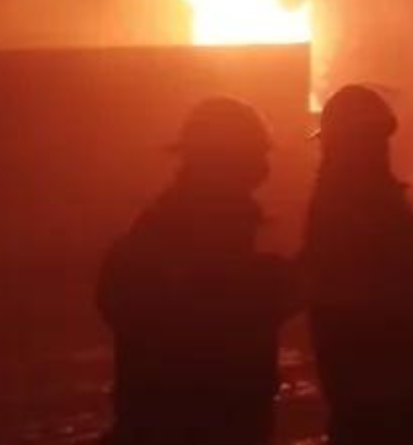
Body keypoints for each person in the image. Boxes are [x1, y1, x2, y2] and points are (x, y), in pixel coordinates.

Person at [97, 97, 296, 445]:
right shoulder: (187, 229)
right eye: (255, 154)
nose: (263, 167)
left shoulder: (170, 225)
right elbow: (220, 307)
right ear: (227, 161)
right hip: (197, 422)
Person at [302, 85, 413, 445]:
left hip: (372, 370)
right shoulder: (353, 194)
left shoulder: (349, 191)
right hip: (387, 372)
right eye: (377, 138)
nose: (384, 147)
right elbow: (399, 258)